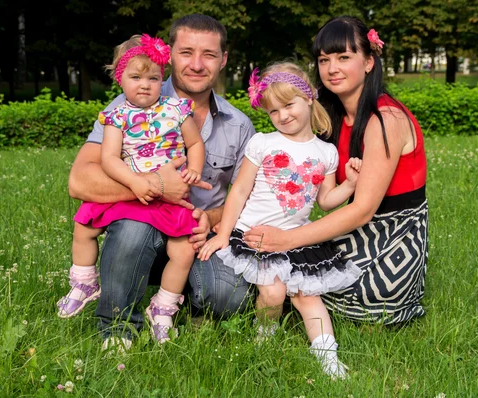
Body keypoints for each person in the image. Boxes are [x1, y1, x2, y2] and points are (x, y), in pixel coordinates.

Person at [67, 14, 256, 349]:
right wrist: (155, 186)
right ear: (169, 54)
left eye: (209, 55)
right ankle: (118, 326)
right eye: (186, 52)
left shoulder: (239, 126)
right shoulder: (133, 100)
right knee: (132, 230)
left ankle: (170, 300)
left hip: (196, 239)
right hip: (141, 221)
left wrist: (209, 218)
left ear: (223, 60)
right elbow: (79, 181)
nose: (197, 65)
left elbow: (250, 198)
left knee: (231, 298)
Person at [243, 16, 428, 324]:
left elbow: (363, 211)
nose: (332, 69)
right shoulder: (333, 118)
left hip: (392, 235)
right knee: (278, 268)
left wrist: (287, 239)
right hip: (354, 228)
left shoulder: (386, 119)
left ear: (368, 62)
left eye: (344, 57)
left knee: (301, 277)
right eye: (324, 59)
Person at [198, 62, 363, 378]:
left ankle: (328, 358)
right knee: (272, 293)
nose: (283, 115)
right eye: (274, 111)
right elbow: (239, 191)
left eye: (289, 105)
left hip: (295, 238)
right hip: (254, 234)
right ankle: (265, 336)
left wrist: (350, 185)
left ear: (309, 98)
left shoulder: (326, 152)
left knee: (307, 296)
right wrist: (225, 233)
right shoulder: (263, 142)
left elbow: (326, 201)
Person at [58, 34, 206, 343]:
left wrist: (194, 168)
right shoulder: (116, 116)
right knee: (83, 225)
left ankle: (164, 306)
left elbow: (195, 143)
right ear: (119, 79)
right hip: (134, 191)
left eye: (153, 78)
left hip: (171, 198)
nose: (145, 84)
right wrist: (136, 182)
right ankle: (85, 281)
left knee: (183, 249)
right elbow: (109, 158)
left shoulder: (177, 110)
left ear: (162, 79)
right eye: (135, 77)